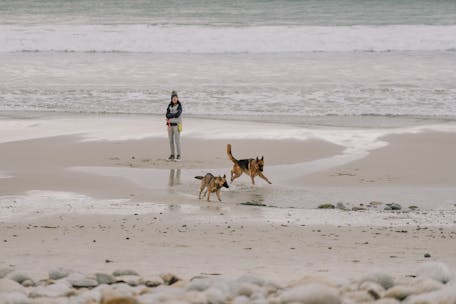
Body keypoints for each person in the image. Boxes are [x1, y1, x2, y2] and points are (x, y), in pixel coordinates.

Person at [165, 90, 183, 161]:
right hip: (169, 126)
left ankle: (179, 155)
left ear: (177, 98)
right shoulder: (169, 106)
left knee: (177, 141)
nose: (174, 99)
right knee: (171, 141)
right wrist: (170, 118)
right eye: (173, 98)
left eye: (176, 97)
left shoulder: (179, 106)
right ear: (171, 99)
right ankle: (172, 155)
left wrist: (170, 117)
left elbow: (177, 115)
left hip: (177, 126)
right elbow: (167, 115)